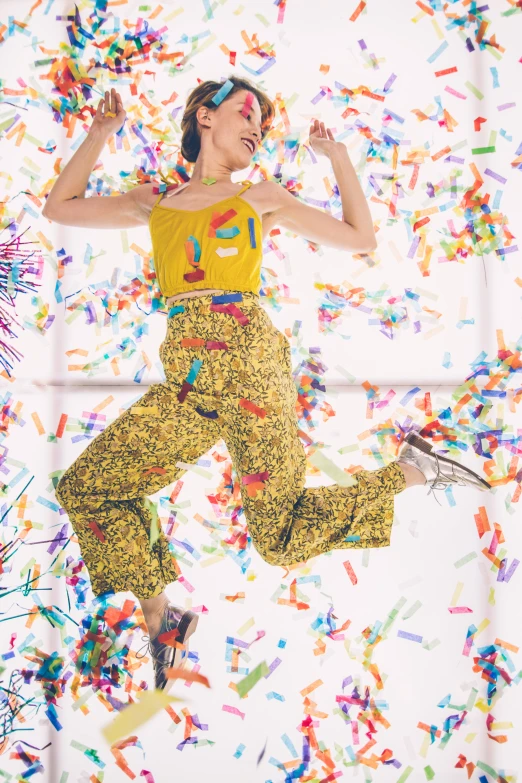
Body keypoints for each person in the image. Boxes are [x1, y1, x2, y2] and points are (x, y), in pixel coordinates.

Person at [44, 76, 492, 693]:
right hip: (191, 376)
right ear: (205, 116)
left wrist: (338, 159)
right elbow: (59, 208)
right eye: (246, 112)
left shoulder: (261, 196)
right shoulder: (159, 201)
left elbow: (359, 237)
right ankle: (162, 617)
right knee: (91, 486)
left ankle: (412, 473)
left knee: (278, 540)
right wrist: (100, 135)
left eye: (264, 121)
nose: (257, 127)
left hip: (250, 360)